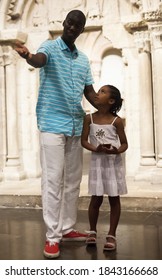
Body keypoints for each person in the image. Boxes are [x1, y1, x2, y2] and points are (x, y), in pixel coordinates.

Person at [15, 10, 96, 258]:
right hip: (52, 124)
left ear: (82, 30)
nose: (72, 27)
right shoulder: (48, 48)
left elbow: (90, 93)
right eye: (70, 23)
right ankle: (52, 236)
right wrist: (28, 55)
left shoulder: (83, 60)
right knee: (52, 180)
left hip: (75, 125)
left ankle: (67, 227)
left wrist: (110, 105)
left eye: (78, 25)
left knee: (73, 181)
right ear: (64, 23)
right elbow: (39, 60)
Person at [81, 84, 128, 251]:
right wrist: (96, 149)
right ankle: (92, 231)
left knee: (114, 198)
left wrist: (115, 151)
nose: (97, 93)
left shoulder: (117, 121)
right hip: (97, 163)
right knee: (96, 198)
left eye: (102, 91)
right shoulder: (89, 119)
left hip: (112, 164)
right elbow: (84, 140)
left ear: (111, 100)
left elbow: (124, 144)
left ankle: (111, 235)